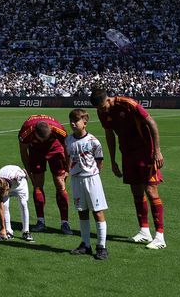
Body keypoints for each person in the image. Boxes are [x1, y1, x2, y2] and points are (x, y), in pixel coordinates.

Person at [90, 88, 166, 250]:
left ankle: (160, 236)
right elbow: (109, 134)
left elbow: (151, 122)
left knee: (151, 190)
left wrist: (157, 151)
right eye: (98, 109)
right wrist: (113, 160)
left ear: (108, 100)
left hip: (146, 152)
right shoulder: (101, 112)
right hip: (127, 153)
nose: (102, 111)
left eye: (103, 107)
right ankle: (144, 231)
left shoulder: (127, 104)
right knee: (136, 191)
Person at [17, 114, 72, 233]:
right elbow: (23, 152)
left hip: (55, 149)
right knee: (37, 184)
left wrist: (68, 169)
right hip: (36, 150)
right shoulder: (26, 131)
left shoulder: (59, 130)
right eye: (40, 139)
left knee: (60, 183)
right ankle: (40, 221)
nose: (43, 141)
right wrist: (29, 171)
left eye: (45, 139)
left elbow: (68, 148)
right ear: (34, 133)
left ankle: (65, 223)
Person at [65, 109, 108, 260]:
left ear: (84, 122)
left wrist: (93, 174)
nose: (72, 123)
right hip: (76, 179)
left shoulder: (93, 141)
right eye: (71, 120)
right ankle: (85, 244)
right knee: (81, 211)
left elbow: (100, 160)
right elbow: (68, 157)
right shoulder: (68, 140)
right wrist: (67, 171)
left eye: (75, 121)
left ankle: (102, 246)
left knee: (97, 211)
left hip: (91, 179)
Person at [0, 165, 33, 241]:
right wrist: (2, 228)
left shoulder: (17, 175)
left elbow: (24, 172)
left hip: (20, 185)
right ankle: (8, 231)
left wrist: (26, 175)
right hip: (7, 184)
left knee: (23, 204)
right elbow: (1, 208)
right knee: (5, 206)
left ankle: (26, 231)